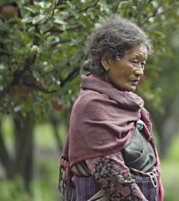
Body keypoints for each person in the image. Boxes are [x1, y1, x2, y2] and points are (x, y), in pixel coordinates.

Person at [58, 15, 163, 201]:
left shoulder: (127, 103)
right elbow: (112, 176)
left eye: (143, 63)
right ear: (107, 60)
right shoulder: (91, 106)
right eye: (134, 61)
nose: (140, 71)